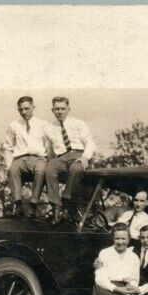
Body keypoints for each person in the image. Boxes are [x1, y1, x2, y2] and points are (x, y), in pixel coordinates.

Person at [44, 96, 96, 224]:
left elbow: (90, 142)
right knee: (49, 169)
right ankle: (56, 206)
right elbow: (49, 150)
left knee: (76, 168)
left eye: (63, 108)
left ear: (68, 109)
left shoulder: (78, 124)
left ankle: (67, 200)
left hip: (78, 154)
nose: (60, 112)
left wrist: (85, 157)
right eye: (57, 109)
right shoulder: (48, 128)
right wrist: (51, 162)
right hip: (61, 157)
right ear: (52, 110)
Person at [3, 96, 47, 218]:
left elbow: (48, 145)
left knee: (41, 170)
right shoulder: (13, 125)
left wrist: (49, 161)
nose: (23, 112)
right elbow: (8, 147)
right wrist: (9, 165)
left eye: (26, 108)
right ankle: (18, 205)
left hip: (38, 157)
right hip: (20, 158)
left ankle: (33, 204)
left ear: (33, 107)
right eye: (20, 109)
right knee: (13, 169)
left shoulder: (43, 124)